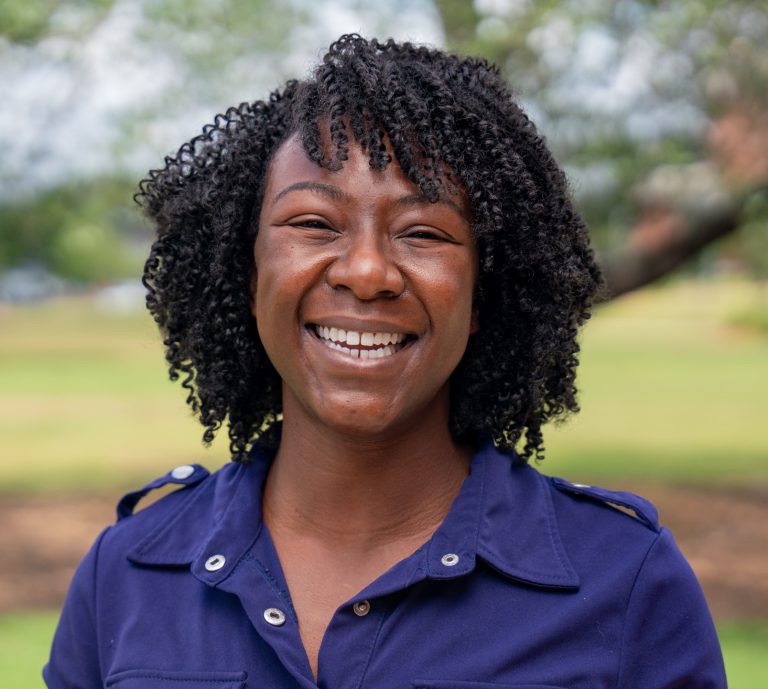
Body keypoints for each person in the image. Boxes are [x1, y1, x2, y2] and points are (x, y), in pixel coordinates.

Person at [45, 35, 726, 689]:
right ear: (246, 275)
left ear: (483, 292)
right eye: (313, 223)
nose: (367, 271)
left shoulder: (624, 581)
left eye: (423, 232)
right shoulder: (128, 573)